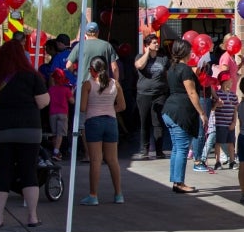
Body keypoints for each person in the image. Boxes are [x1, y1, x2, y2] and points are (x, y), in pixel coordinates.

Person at [0, 40, 49, 229]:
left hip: (0, 131)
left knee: (3, 172)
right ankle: (33, 217)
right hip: (30, 130)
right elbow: (43, 102)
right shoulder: (32, 76)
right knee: (28, 171)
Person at [161, 39, 207, 194]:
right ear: (185, 52)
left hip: (170, 110)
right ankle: (179, 183)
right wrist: (202, 112)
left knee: (176, 148)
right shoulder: (185, 69)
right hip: (181, 112)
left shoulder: (172, 68)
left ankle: (176, 181)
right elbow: (192, 92)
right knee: (181, 148)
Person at [79, 56, 126, 206]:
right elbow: (122, 106)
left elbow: (82, 108)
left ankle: (93, 195)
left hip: (93, 122)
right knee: (113, 160)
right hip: (111, 121)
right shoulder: (115, 84)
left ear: (92, 70)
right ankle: (118, 194)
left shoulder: (87, 85)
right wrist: (110, 109)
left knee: (95, 160)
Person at [132, 33, 169, 160]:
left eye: (157, 42)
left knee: (158, 122)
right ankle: (144, 150)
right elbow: (139, 66)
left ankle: (159, 150)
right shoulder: (140, 57)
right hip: (143, 94)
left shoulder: (163, 58)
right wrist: (147, 53)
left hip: (159, 94)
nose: (157, 44)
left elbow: (168, 73)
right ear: (147, 45)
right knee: (144, 122)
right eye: (154, 42)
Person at [212, 70, 239, 170]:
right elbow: (213, 109)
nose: (231, 83)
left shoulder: (233, 95)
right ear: (223, 82)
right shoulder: (217, 95)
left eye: (231, 81)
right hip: (220, 123)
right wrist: (216, 105)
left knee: (231, 143)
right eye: (229, 81)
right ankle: (217, 162)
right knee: (218, 142)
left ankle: (232, 161)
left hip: (230, 124)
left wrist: (234, 122)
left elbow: (235, 110)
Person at [48, 68, 74, 162]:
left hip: (52, 113)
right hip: (63, 113)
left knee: (55, 134)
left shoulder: (50, 89)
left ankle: (56, 152)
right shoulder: (66, 89)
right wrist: (72, 92)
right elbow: (72, 101)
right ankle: (56, 152)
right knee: (60, 134)